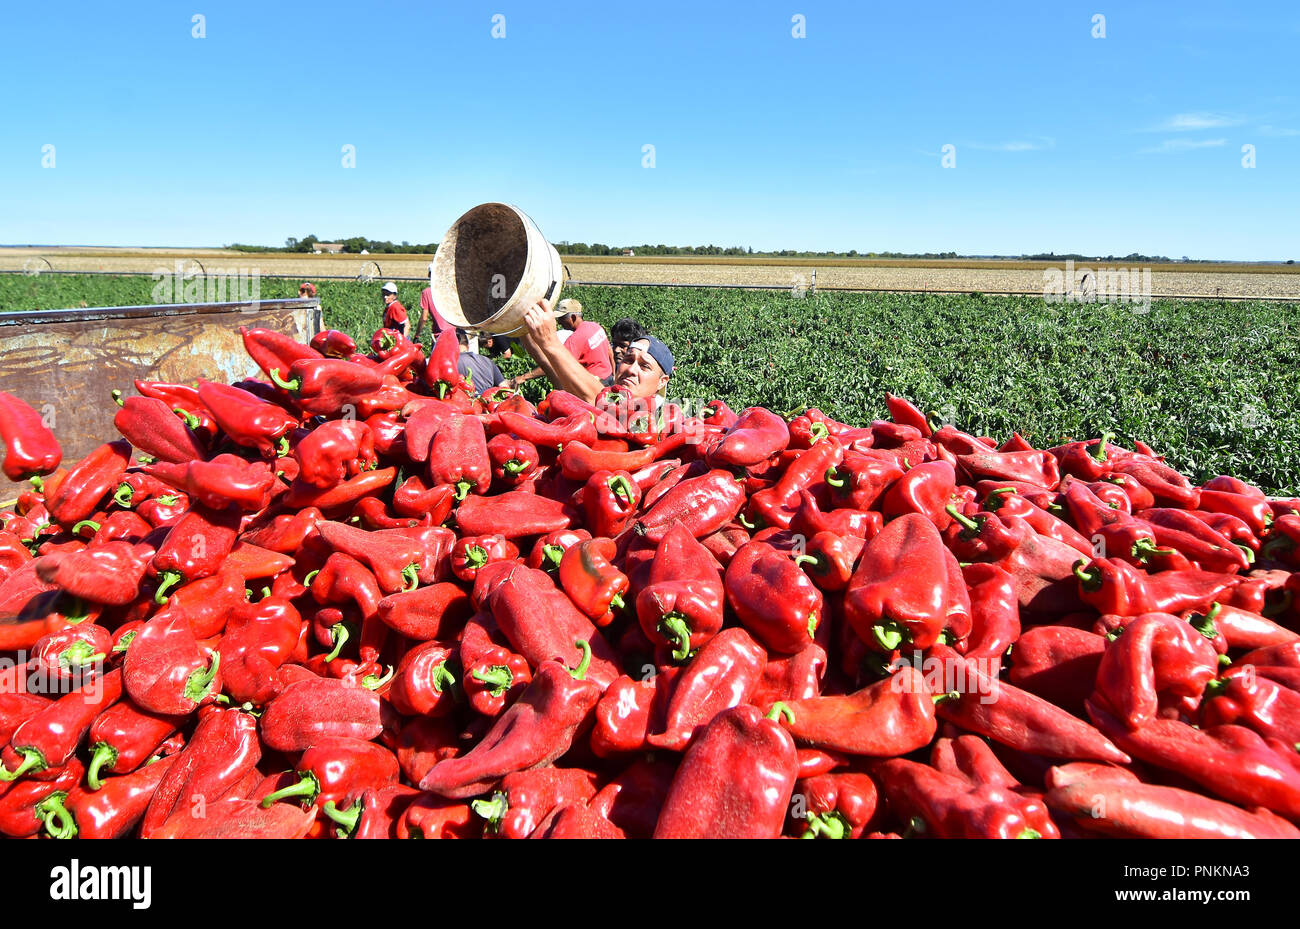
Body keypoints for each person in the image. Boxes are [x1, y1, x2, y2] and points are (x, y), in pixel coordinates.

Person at [515, 296, 672, 404]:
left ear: (662, 382)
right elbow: (550, 366)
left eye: (644, 366)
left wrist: (549, 341)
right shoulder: (594, 327)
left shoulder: (651, 419)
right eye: (628, 360)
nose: (631, 369)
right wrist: (520, 327)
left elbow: (600, 402)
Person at [506, 298, 613, 391]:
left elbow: (555, 364)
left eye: (562, 318)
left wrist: (524, 377)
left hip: (594, 384)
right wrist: (614, 375)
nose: (559, 322)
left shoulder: (575, 339)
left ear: (573, 317)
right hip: (608, 379)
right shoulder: (595, 326)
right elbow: (610, 352)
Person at [455, 328, 505, 395]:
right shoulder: (487, 360)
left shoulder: (452, 364)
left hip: (469, 402)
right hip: (489, 400)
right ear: (468, 346)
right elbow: (503, 386)